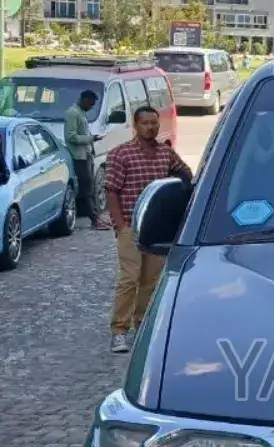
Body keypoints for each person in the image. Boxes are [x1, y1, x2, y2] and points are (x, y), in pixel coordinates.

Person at [106, 105, 193, 354]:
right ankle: (119, 331)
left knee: (150, 281)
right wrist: (119, 225)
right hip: (130, 226)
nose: (150, 127)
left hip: (155, 229)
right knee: (129, 279)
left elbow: (186, 174)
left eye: (154, 123)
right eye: (145, 123)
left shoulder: (165, 153)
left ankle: (142, 326)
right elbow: (111, 191)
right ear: (136, 125)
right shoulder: (120, 154)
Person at [64, 88, 106, 228]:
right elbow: (71, 136)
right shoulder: (72, 113)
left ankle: (96, 217)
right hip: (78, 157)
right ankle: (94, 219)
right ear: (84, 100)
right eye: (91, 104)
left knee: (90, 187)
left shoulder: (80, 113)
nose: (91, 107)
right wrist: (91, 139)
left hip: (86, 155)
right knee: (85, 188)